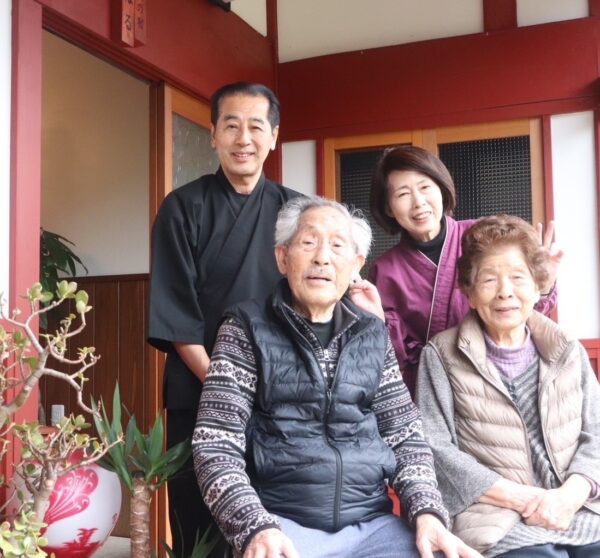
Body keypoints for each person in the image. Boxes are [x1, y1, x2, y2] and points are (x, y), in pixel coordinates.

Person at [193, 196, 481, 558]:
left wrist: (427, 512)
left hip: (372, 525)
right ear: (283, 258)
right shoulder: (244, 329)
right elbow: (215, 443)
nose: (322, 258)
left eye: (337, 246)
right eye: (308, 242)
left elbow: (405, 436)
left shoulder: (373, 334)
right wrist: (255, 526)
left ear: (356, 265)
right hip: (283, 523)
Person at [147, 82, 302, 556]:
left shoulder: (297, 213)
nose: (243, 138)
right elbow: (178, 318)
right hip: (201, 393)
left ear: (274, 136)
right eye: (231, 126)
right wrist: (227, 389)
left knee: (282, 528)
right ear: (213, 135)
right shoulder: (182, 208)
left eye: (256, 126)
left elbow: (318, 302)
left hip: (282, 400)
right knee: (202, 531)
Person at [416, 214, 600, 558]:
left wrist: (570, 495)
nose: (505, 292)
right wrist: (525, 498)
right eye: (489, 279)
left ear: (538, 286)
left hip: (580, 511)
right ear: (470, 293)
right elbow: (434, 446)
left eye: (518, 277)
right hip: (496, 521)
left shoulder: (567, 350)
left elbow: (597, 432)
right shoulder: (441, 355)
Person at [367, 145, 561, 397]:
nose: (418, 202)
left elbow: (520, 312)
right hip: (431, 385)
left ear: (441, 188)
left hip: (496, 376)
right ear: (389, 208)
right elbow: (392, 353)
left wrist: (543, 283)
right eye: (403, 194)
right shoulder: (385, 270)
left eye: (425, 187)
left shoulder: (481, 237)